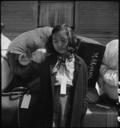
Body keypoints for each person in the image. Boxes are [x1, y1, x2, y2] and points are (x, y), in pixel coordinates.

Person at [32, 24, 88, 127]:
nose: (59, 44)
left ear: (70, 40)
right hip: (52, 100)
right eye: (55, 41)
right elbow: (42, 86)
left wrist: (82, 110)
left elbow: (83, 91)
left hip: (72, 99)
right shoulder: (47, 62)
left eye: (63, 40)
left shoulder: (80, 64)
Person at [2, 26, 53, 91]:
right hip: (16, 56)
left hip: (13, 54)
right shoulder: (48, 34)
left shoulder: (43, 32)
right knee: (41, 69)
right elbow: (36, 43)